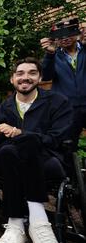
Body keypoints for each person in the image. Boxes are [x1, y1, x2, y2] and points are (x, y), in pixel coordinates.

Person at [0, 57, 72, 243]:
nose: (25, 77)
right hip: (9, 158)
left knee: (26, 141)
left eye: (31, 73)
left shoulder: (57, 102)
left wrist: (20, 133)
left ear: (40, 77)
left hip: (45, 157)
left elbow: (56, 138)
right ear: (12, 79)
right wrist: (2, 131)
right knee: (9, 150)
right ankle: (28, 222)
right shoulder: (5, 106)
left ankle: (27, 223)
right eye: (20, 73)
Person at [40, 18, 85, 148]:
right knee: (67, 146)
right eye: (60, 35)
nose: (65, 38)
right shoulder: (53, 56)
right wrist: (49, 54)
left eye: (69, 33)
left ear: (77, 32)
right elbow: (46, 77)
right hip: (67, 109)